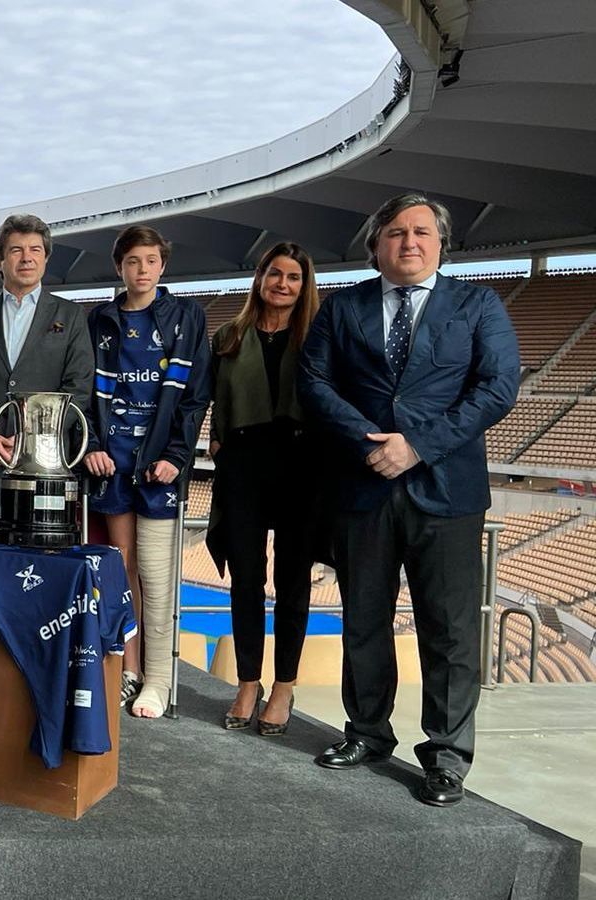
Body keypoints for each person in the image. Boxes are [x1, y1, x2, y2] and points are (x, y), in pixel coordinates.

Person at [299, 193, 519, 806]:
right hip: (363, 485)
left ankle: (446, 755)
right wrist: (369, 442)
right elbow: (314, 381)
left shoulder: (478, 304)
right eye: (396, 233)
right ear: (376, 246)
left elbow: (498, 387)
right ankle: (367, 732)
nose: (410, 242)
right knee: (363, 620)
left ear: (441, 242)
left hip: (446, 490)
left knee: (447, 631)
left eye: (421, 232)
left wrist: (417, 445)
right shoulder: (344, 307)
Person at [82, 225, 211, 719]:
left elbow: (195, 395)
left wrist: (177, 456)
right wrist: (94, 446)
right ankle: (129, 669)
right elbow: (84, 392)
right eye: (133, 261)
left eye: (151, 260)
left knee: (156, 576)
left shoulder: (186, 317)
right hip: (111, 466)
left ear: (163, 265)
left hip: (159, 469)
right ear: (120, 267)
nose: (142, 270)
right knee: (121, 567)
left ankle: (158, 680)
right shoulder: (100, 321)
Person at [205, 242, 321, 736]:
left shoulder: (318, 337)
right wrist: (216, 438)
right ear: (260, 278)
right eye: (275, 274)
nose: (282, 284)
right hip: (244, 464)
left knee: (293, 583)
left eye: (293, 277)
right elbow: (215, 397)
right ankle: (248, 681)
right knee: (246, 580)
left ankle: (284, 686)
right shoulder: (231, 335)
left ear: (303, 285)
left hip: (301, 464)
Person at [0, 213, 94, 541]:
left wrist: (31, 443)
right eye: (16, 250)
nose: (26, 257)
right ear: (0, 260)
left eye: (35, 250)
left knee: (38, 575)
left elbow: (79, 390)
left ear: (45, 258)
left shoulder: (70, 317)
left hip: (45, 470)